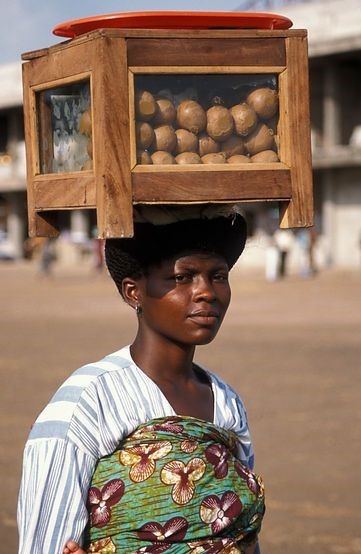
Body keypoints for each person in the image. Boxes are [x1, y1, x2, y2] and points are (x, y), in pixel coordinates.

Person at [18, 205, 265, 554]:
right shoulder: (89, 402)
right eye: (183, 277)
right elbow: (46, 543)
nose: (206, 291)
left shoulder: (226, 402)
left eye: (218, 276)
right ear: (133, 292)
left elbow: (242, 534)